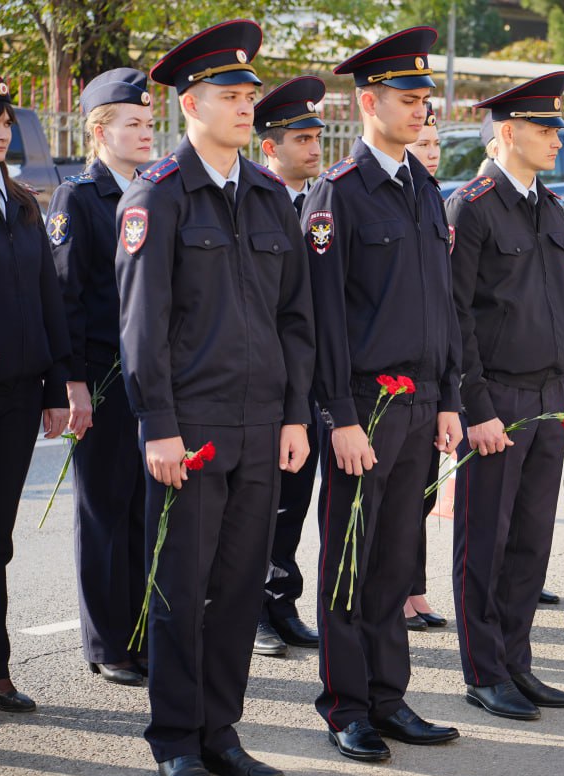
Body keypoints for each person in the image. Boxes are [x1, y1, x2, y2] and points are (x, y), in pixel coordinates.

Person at [116, 20, 314, 776]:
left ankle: (221, 730)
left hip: (261, 425)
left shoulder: (267, 197)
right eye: (229, 94)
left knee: (236, 589)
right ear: (191, 103)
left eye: (248, 94)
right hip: (191, 428)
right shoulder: (159, 195)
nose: (244, 105)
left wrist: (294, 415)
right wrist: (158, 426)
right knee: (180, 585)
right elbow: (143, 325)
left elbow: (294, 318)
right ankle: (175, 738)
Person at [307, 27, 463, 762]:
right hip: (364, 406)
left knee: (397, 558)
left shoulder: (425, 188)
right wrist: (339, 415)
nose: (421, 110)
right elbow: (322, 318)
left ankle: (388, 696)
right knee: (351, 557)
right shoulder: (338, 193)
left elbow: (444, 307)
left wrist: (450, 398)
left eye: (425, 99)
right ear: (369, 103)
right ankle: (346, 705)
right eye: (408, 99)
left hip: (421, 400)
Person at [447, 71, 564, 721]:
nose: (557, 138)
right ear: (508, 133)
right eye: (545, 128)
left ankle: (518, 662)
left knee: (531, 542)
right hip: (498, 398)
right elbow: (457, 315)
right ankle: (484, 671)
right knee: (486, 541)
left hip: (548, 394)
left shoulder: (548, 206)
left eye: (557, 127)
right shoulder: (472, 206)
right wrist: (476, 407)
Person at [47, 69, 153, 687]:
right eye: (131, 123)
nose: (145, 132)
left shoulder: (152, 191)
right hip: (104, 378)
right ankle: (108, 642)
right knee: (104, 513)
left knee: (143, 512)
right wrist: (74, 384)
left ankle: (139, 635)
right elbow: (66, 297)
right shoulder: (79, 198)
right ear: (99, 131)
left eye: (148, 122)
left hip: (148, 379)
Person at [0, 72, 71, 714]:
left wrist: (54, 385)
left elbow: (49, 296)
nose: (1, 132)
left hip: (18, 395)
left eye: (4, 123)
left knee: (0, 536)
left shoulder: (22, 202)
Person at [251, 75, 327, 657]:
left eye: (317, 136)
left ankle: (281, 600)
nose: (314, 147)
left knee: (294, 500)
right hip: (265, 378)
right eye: (301, 138)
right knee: (258, 503)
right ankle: (249, 607)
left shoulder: (325, 200)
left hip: (314, 379)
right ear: (269, 147)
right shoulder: (255, 200)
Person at [402, 97, 448, 631]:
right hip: (391, 385)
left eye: (436, 144)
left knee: (422, 494)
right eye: (424, 144)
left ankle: (414, 587)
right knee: (397, 504)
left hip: (430, 380)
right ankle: (401, 591)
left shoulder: (433, 196)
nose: (432, 152)